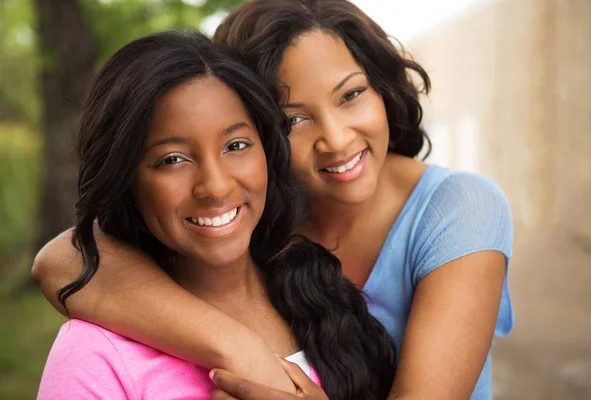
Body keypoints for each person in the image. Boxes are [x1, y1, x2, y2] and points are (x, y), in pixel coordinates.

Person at [33, 1, 514, 399]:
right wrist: (239, 348)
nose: (336, 138)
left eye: (350, 95)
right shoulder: (260, 223)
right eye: (294, 120)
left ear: (381, 88)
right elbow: (62, 260)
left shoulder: (458, 209)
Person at [36, 30, 395, 400]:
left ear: (268, 153)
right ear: (126, 179)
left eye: (235, 145)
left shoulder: (328, 297)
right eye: (172, 160)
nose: (216, 187)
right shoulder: (95, 354)